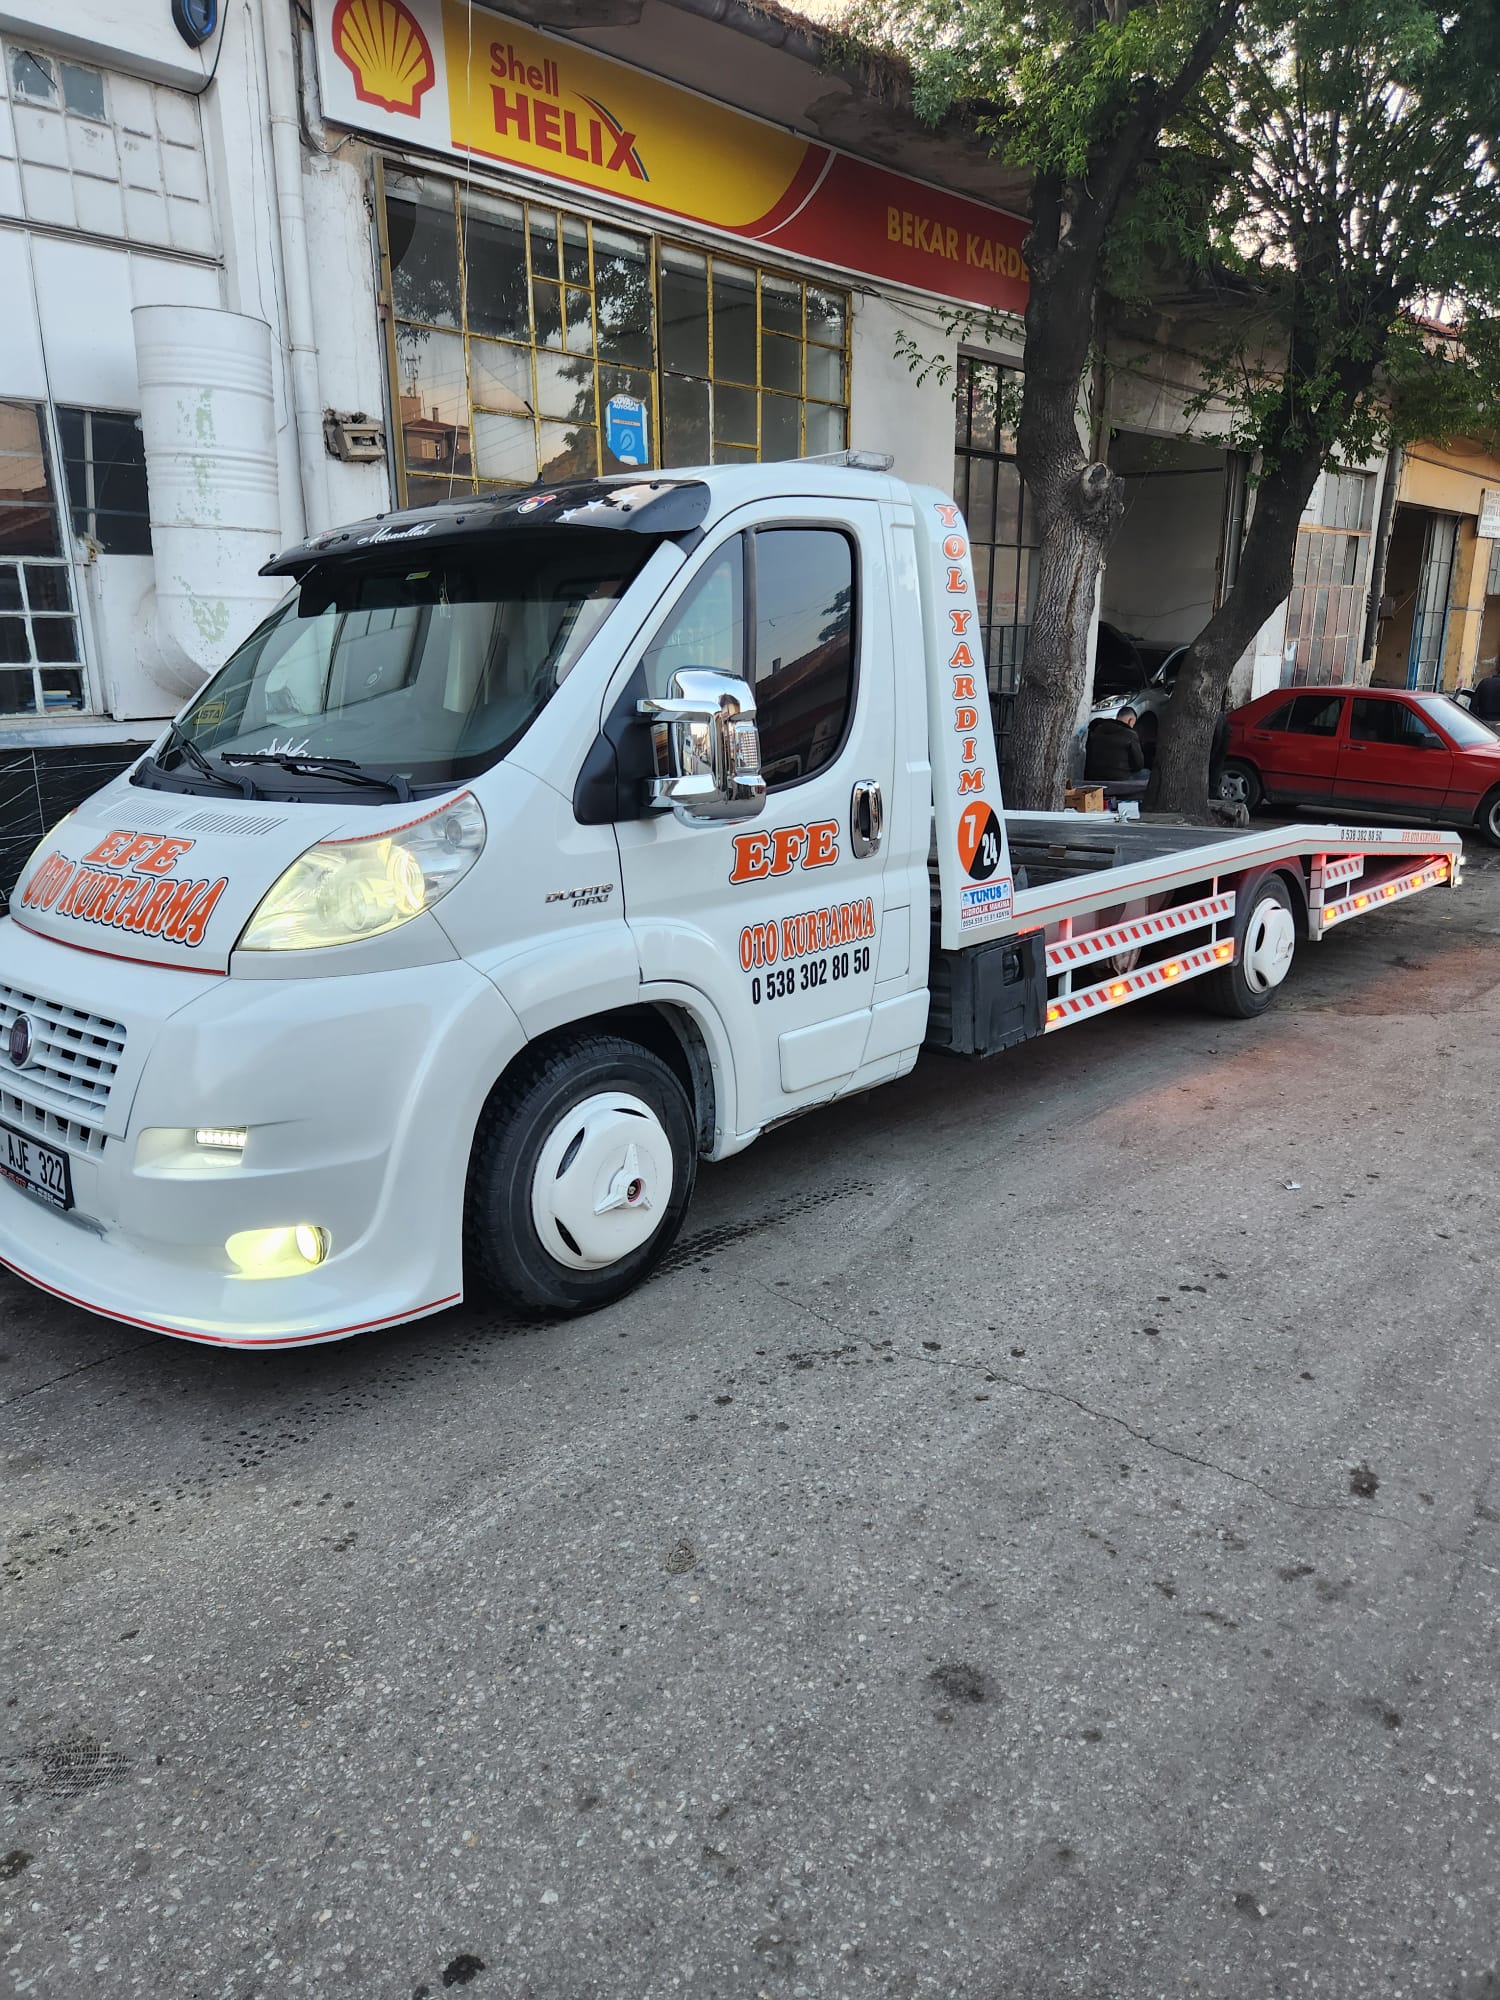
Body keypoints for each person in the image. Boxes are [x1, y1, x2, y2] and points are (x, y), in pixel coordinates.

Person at [1085, 704, 1146, 785]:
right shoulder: (1131, 735)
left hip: (1093, 777)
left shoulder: (1096, 729)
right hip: (1119, 780)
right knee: (1146, 773)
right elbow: (1138, 765)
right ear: (1130, 721)